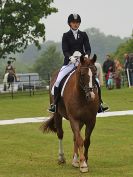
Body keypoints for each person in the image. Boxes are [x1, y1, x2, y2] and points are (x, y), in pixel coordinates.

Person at [48, 14, 109, 113]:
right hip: (70, 63)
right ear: (70, 24)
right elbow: (65, 50)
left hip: (83, 63)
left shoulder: (83, 34)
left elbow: (88, 48)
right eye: (73, 22)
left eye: (77, 22)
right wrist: (70, 57)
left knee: (96, 81)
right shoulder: (66, 35)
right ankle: (54, 104)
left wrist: (86, 56)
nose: (75, 24)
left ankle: (100, 104)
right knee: (58, 81)